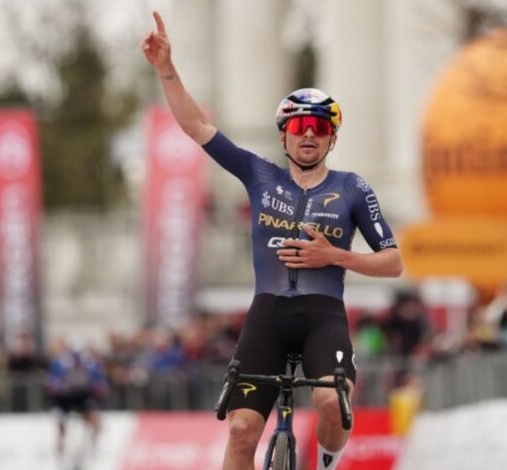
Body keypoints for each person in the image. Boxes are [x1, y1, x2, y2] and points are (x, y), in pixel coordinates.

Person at [141, 12, 403, 470]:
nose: (309, 135)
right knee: (241, 430)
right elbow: (195, 126)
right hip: (267, 315)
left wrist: (334, 255)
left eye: (320, 128)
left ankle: (326, 461)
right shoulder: (260, 175)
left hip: (323, 315)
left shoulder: (353, 187)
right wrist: (166, 69)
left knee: (331, 402)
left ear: (332, 138)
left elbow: (393, 262)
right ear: (284, 136)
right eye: (299, 128)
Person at [45, 346, 108, 456]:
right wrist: (55, 387)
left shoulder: (90, 367)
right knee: (60, 419)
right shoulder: (61, 366)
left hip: (82, 396)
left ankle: (93, 445)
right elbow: (51, 384)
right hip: (65, 398)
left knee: (94, 418)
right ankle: (60, 445)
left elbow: (101, 385)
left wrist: (98, 388)